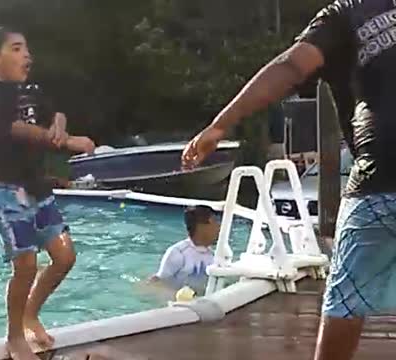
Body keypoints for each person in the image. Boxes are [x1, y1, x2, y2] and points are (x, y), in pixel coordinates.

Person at [181, 2, 396, 359]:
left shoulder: (343, 14)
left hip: (381, 177)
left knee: (345, 301)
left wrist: (221, 123)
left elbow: (293, 66)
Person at [0, 26, 96, 360]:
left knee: (65, 257)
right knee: (26, 266)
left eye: (26, 48)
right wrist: (68, 142)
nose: (26, 55)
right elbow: (17, 130)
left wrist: (59, 126)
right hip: (7, 190)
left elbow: (55, 113)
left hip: (39, 190)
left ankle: (31, 314)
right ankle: (15, 337)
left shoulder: (33, 91)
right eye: (16, 49)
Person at [149, 205, 220, 297]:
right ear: (202, 226)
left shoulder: (213, 255)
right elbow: (158, 283)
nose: (219, 228)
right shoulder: (178, 253)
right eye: (215, 222)